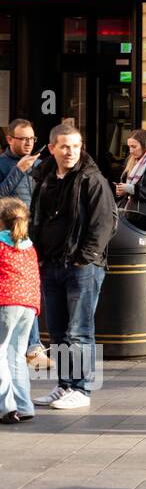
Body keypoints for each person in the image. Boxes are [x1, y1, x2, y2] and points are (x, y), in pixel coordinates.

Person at [29, 123, 116, 411]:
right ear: (52, 148)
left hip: (81, 267)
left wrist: (84, 257)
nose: (71, 152)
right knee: (57, 330)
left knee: (80, 330)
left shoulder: (92, 180)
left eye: (76, 146)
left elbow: (104, 223)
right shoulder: (44, 177)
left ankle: (82, 388)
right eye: (65, 146)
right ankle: (65, 384)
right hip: (50, 264)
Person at [0, 120, 47, 366]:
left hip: (36, 235)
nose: (29, 143)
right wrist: (18, 169)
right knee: (19, 291)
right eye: (23, 138)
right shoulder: (3, 164)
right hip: (10, 240)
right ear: (10, 139)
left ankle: (33, 346)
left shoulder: (40, 165)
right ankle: (33, 346)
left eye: (32, 138)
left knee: (30, 291)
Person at [0, 197, 41, 424]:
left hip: (5, 302)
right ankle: (24, 405)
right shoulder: (29, 247)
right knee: (16, 354)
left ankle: (5, 407)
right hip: (28, 305)